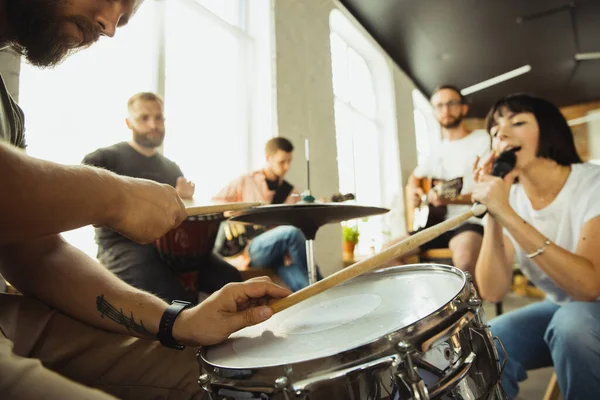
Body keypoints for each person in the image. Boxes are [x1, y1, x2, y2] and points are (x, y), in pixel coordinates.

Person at [0, 2, 290, 399]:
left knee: (233, 380)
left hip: (15, 314)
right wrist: (116, 196)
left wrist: (179, 322)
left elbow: (38, 254)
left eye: (124, 17)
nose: (109, 26)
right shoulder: (107, 158)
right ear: (130, 123)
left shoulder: (8, 114)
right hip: (126, 253)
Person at [472, 93, 600, 400]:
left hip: (584, 312)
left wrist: (507, 213)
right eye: (494, 129)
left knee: (572, 328)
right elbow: (492, 291)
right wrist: (493, 215)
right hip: (559, 307)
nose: (500, 133)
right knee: (485, 342)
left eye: (517, 122)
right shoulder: (510, 198)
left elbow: (588, 287)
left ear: (549, 129)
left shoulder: (592, 184)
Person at [83, 92, 242, 304]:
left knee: (231, 280)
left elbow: (182, 214)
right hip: (122, 246)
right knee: (176, 301)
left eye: (159, 118)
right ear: (128, 122)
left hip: (172, 247)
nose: (153, 125)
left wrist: (185, 200)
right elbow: (87, 205)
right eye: (144, 118)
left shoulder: (171, 167)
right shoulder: (103, 159)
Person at [384, 85, 490, 275]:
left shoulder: (482, 140)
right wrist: (414, 191)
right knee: (385, 254)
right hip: (438, 225)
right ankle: (427, 300)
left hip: (472, 221)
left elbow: (488, 192)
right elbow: (415, 177)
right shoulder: (437, 149)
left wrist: (450, 199)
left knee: (464, 262)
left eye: (451, 104)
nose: (446, 110)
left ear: (464, 108)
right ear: (434, 112)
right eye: (439, 105)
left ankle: (467, 304)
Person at [212, 137, 322, 291]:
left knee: (306, 287)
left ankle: (324, 294)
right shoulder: (245, 181)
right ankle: (325, 284)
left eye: (289, 161)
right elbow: (214, 203)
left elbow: (299, 219)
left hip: (280, 254)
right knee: (291, 233)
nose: (287, 167)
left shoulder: (291, 192)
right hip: (251, 249)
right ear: (268, 158)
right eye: (282, 162)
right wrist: (233, 217)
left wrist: (316, 207)